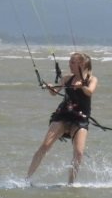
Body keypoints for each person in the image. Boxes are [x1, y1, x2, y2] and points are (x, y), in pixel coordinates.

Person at [27, 52, 98, 184]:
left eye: (72, 62)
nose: (69, 64)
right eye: (69, 61)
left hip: (80, 119)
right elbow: (54, 93)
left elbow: (89, 91)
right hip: (63, 115)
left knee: (79, 153)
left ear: (81, 65)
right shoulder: (66, 79)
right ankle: (27, 179)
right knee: (45, 146)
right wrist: (50, 87)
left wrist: (82, 86)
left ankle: (71, 183)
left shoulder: (92, 80)